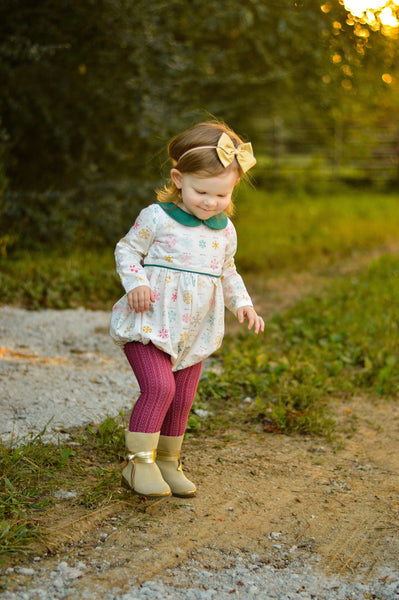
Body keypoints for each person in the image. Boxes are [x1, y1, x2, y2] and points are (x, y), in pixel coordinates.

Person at [110, 120, 264, 499]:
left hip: (194, 329)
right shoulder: (157, 218)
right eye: (201, 191)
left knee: (182, 398)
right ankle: (138, 463)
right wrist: (138, 283)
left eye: (222, 195)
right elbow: (127, 250)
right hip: (151, 322)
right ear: (179, 179)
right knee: (159, 388)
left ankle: (167, 461)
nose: (211, 202)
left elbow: (227, 271)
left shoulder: (224, 230)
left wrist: (242, 303)